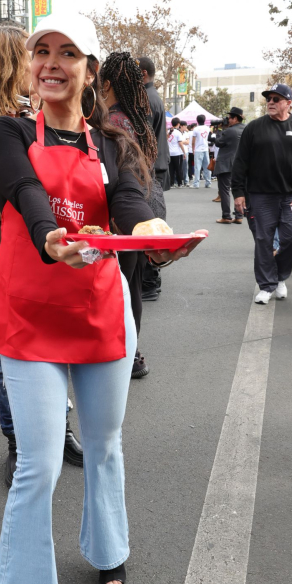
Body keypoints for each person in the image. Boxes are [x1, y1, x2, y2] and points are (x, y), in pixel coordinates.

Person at [0, 12, 204, 584]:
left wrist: (152, 237)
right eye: (40, 51)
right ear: (28, 64)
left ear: (88, 69)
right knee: (40, 464)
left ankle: (109, 548)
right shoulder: (8, 130)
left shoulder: (110, 142)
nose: (51, 63)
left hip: (102, 313)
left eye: (67, 53)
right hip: (30, 319)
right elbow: (23, 191)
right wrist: (51, 235)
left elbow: (131, 205)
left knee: (105, 445)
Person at [0, 25, 82, 485]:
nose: (45, 64)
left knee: (57, 346)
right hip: (1, 257)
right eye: (34, 53)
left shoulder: (37, 117)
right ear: (11, 63)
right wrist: (29, 206)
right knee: (8, 360)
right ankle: (17, 444)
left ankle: (59, 431)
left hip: (49, 256)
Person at [99, 50, 161, 378]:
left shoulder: (113, 121)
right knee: (131, 287)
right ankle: (132, 353)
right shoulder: (135, 118)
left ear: (106, 83)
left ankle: (129, 354)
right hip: (137, 211)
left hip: (121, 216)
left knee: (120, 289)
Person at [232, 83, 292, 304]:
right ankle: (266, 286)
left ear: (287, 102)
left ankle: (280, 277)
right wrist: (238, 192)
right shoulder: (254, 128)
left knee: (291, 238)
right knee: (264, 241)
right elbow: (240, 163)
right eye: (269, 99)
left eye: (276, 99)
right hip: (260, 196)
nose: (271, 103)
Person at [137, 56, 170, 191]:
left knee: (149, 211)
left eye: (134, 71)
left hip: (151, 168)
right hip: (155, 165)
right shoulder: (152, 95)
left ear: (143, 73)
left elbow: (144, 137)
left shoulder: (147, 98)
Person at [214, 107, 245, 224]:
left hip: (226, 164)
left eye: (229, 118)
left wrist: (218, 130)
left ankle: (226, 216)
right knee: (239, 189)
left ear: (235, 118)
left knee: (225, 190)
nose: (228, 120)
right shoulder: (246, 129)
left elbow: (218, 143)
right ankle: (239, 216)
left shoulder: (229, 131)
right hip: (241, 164)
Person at [191, 115, 212, 188]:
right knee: (207, 166)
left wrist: (193, 149)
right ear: (204, 120)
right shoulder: (208, 128)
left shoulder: (196, 129)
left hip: (198, 150)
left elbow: (193, 141)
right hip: (205, 149)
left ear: (197, 120)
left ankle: (196, 183)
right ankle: (208, 182)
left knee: (197, 167)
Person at [168, 117, 185, 188]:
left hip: (169, 153)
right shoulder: (178, 133)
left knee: (171, 169)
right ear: (178, 124)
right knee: (178, 169)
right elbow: (180, 143)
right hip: (177, 153)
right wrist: (184, 152)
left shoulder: (167, 132)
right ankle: (179, 183)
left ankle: (171, 183)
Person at [179, 120, 190, 186]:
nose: (186, 127)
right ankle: (179, 180)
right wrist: (183, 141)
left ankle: (186, 181)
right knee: (179, 167)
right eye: (185, 126)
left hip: (185, 151)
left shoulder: (186, 133)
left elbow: (188, 142)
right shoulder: (177, 132)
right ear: (181, 126)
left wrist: (181, 142)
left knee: (185, 167)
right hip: (179, 152)